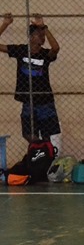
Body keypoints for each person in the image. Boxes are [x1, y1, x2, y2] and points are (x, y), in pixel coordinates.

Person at [0, 13, 63, 155]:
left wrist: (43, 27)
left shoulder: (45, 54)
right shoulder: (21, 50)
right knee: (29, 134)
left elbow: (56, 48)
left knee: (47, 134)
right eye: (38, 34)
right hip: (28, 100)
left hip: (45, 100)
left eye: (43, 35)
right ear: (30, 37)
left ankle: (45, 156)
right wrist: (5, 24)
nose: (42, 37)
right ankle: (39, 151)